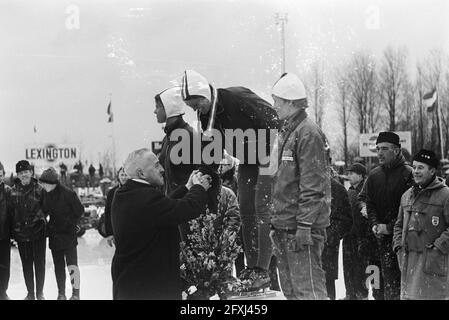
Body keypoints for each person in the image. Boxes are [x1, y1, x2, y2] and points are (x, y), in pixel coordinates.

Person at [181, 69, 279, 290]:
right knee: (245, 209)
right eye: (192, 107)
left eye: (197, 104)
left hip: (268, 155)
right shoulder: (207, 116)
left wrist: (273, 153)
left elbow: (273, 118)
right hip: (247, 160)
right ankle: (253, 267)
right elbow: (212, 150)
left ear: (204, 94)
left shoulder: (237, 97)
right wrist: (203, 173)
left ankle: (263, 269)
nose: (196, 109)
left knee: (261, 209)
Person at [111, 148, 211, 300]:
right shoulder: (146, 198)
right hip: (149, 289)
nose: (162, 169)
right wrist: (199, 188)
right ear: (141, 173)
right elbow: (186, 209)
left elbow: (164, 208)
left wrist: (187, 188)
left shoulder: (125, 195)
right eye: (156, 165)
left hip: (131, 285)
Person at [269, 73, 331, 300]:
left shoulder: (308, 133)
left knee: (309, 293)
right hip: (286, 226)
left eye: (277, 100)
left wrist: (304, 226)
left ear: (291, 102)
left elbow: (313, 185)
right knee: (293, 294)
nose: (274, 105)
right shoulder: (290, 131)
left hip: (300, 229)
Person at [361, 131, 413, 300]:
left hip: (406, 242)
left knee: (405, 287)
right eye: (377, 149)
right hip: (381, 242)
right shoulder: (374, 175)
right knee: (384, 287)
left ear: (397, 150)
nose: (379, 153)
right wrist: (375, 223)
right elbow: (369, 202)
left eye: (384, 148)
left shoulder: (410, 174)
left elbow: (413, 210)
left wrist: (389, 227)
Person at [393, 149, 449, 299]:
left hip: (433, 269)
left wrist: (438, 248)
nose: (415, 171)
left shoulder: (445, 195)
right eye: (414, 167)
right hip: (408, 265)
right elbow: (398, 225)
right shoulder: (406, 196)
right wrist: (398, 246)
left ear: (432, 171)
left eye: (421, 168)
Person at [40, 167, 84, 300]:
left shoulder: (68, 194)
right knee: (58, 267)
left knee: (72, 266)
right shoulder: (45, 193)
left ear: (52, 183)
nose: (43, 185)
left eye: (44, 183)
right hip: (54, 235)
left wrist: (71, 223)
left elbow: (79, 210)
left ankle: (75, 293)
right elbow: (43, 210)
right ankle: (61, 293)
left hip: (68, 235)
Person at [9, 160, 47, 300]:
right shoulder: (12, 192)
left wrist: (40, 222)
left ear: (31, 173)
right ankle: (30, 293)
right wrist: (13, 233)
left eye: (26, 172)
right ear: (18, 175)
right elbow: (10, 214)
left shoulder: (40, 189)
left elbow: (47, 209)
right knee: (26, 265)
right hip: (22, 235)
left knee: (40, 264)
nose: (23, 175)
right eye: (21, 173)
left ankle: (40, 293)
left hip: (38, 234)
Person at [342, 163, 370, 300]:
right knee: (348, 266)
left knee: (361, 268)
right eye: (349, 173)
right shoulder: (350, 190)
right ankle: (350, 294)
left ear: (360, 175)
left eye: (352, 173)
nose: (349, 176)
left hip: (361, 236)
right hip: (349, 235)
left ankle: (362, 295)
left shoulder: (365, 191)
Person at [322, 174, 352, 300]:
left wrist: (330, 236)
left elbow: (346, 219)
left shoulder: (336, 188)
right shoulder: (303, 183)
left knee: (327, 283)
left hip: (327, 246)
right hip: (306, 247)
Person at [99, 167, 128, 247]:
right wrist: (110, 233)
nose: (124, 177)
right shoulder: (112, 192)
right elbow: (108, 212)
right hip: (117, 230)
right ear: (118, 176)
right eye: (122, 175)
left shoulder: (135, 191)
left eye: (126, 175)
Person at [0, 162, 12, 300]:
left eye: (0, 175)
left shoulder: (8, 192)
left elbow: (13, 213)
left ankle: (3, 292)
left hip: (4, 235)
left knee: (4, 266)